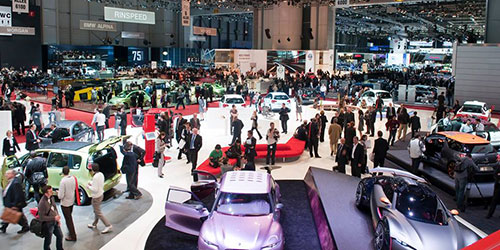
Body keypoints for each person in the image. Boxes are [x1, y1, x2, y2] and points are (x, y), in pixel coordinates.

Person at [0, 169, 29, 234]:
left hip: (14, 204)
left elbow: (18, 195)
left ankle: (26, 227)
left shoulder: (15, 183)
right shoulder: (11, 181)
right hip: (10, 203)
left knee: (18, 217)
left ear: (12, 174)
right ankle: (3, 227)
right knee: (9, 215)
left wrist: (15, 205)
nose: (6, 175)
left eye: (8, 174)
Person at [87, 163, 113, 233]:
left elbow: (95, 189)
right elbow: (98, 184)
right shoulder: (101, 174)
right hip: (100, 194)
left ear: (92, 169)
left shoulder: (95, 177)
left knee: (98, 212)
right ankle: (94, 224)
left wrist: (88, 187)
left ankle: (108, 225)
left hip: (96, 196)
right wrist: (91, 183)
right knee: (96, 211)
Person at [39, 185, 64, 250]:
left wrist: (57, 218)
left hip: (55, 222)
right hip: (48, 224)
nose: (52, 192)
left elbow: (54, 208)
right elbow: (41, 217)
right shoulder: (42, 203)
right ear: (45, 193)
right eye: (50, 191)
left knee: (60, 236)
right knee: (48, 240)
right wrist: (54, 218)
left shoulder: (52, 198)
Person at [57, 166, 77, 241]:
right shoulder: (73, 178)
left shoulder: (63, 181)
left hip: (65, 203)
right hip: (71, 201)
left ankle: (73, 236)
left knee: (68, 220)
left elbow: (60, 196)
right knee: (69, 218)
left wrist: (58, 193)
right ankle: (70, 233)